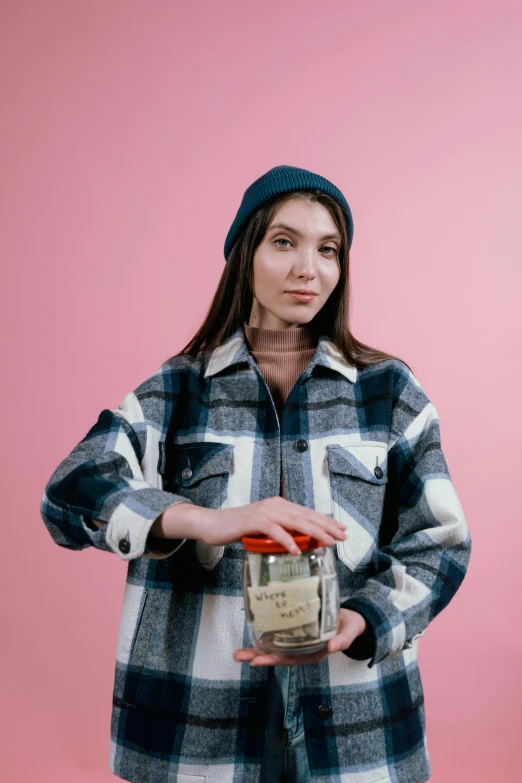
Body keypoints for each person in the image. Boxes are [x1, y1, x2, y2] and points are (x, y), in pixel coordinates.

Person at [40, 164, 472, 783]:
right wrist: (206, 520)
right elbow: (70, 490)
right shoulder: (178, 388)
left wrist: (367, 619)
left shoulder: (389, 393)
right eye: (284, 241)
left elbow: (440, 541)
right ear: (245, 253)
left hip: (357, 727)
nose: (309, 268)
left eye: (329, 250)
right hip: (194, 724)